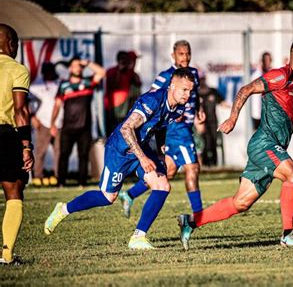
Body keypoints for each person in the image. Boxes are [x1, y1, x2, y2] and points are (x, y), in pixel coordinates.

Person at [177, 36, 293, 250]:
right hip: (264, 143)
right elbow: (245, 90)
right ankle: (287, 234)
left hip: (273, 148)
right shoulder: (279, 77)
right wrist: (232, 118)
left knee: (241, 203)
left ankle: (190, 221)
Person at [44, 68, 195, 250]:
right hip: (120, 149)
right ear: (171, 86)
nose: (188, 94)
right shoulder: (152, 100)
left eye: (190, 90)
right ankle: (63, 209)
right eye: (184, 90)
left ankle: (138, 237)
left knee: (163, 186)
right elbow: (126, 129)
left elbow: (161, 125)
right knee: (108, 197)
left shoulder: (178, 106)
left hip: (141, 148)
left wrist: (161, 151)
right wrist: (143, 158)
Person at [118, 40, 205, 218]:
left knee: (168, 171)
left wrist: (198, 109)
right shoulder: (166, 76)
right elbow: (152, 97)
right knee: (193, 168)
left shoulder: (193, 73)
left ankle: (129, 194)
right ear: (173, 55)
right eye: (181, 54)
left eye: (188, 53)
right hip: (174, 130)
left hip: (186, 128)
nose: (185, 57)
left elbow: (195, 95)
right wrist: (169, 113)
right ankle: (199, 216)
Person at [0, 24, 34, 264]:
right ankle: (6, 254)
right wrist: (26, 146)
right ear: (11, 44)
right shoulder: (16, 69)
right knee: (13, 190)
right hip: (5, 134)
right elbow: (20, 110)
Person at [51, 57, 105, 187]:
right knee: (63, 155)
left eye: (80, 66)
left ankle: (82, 182)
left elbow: (102, 72)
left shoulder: (88, 82)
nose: (78, 68)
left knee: (83, 155)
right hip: (67, 127)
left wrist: (87, 63)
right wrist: (52, 123)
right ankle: (61, 183)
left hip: (84, 127)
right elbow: (57, 105)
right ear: (69, 68)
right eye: (75, 66)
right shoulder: (64, 85)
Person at [29, 62, 62, 186]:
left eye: (51, 71)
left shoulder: (60, 84)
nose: (50, 74)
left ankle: (58, 176)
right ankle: (38, 176)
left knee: (59, 151)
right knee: (40, 151)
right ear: (43, 72)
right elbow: (29, 104)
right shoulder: (35, 86)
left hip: (59, 123)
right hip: (43, 122)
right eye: (47, 71)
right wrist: (33, 117)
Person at [104, 51, 142, 136]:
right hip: (114, 108)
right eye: (123, 60)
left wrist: (130, 70)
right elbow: (113, 84)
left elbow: (138, 83)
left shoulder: (131, 73)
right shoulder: (112, 71)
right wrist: (119, 71)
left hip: (126, 109)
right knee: (113, 133)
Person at [198, 73, 229, 166]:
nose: (201, 81)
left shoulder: (213, 91)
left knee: (214, 144)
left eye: (202, 79)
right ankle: (205, 165)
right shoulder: (195, 94)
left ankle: (214, 165)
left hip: (213, 123)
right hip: (202, 123)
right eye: (200, 79)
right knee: (204, 145)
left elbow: (222, 102)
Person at [250, 52, 272, 130]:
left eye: (268, 61)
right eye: (265, 61)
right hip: (258, 113)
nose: (267, 63)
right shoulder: (256, 75)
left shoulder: (273, 74)